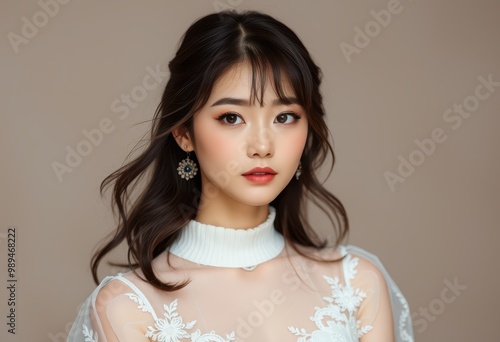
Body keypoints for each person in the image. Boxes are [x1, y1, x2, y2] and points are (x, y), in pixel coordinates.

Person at [67, 10, 414, 342]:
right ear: (184, 133)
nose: (262, 146)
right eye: (232, 118)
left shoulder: (356, 282)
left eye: (285, 117)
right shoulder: (128, 307)